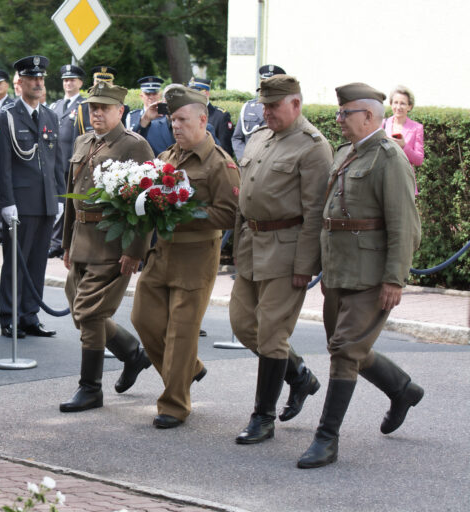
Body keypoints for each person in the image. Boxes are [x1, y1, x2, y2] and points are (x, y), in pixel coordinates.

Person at [297, 83, 423, 469]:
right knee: (348, 346)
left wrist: (394, 279)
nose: (339, 120)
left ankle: (326, 438)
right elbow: (329, 215)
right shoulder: (345, 154)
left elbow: (405, 226)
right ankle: (402, 389)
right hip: (339, 269)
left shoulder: (389, 158)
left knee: (345, 351)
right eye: (339, 113)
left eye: (345, 113)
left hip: (371, 274)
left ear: (368, 116)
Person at [228, 75, 332, 444]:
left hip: (287, 251)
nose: (266, 112)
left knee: (272, 334)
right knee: (243, 326)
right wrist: (236, 247)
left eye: (273, 106)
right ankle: (299, 375)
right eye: (264, 105)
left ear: (296, 104)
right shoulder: (259, 137)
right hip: (251, 245)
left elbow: (315, 212)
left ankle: (263, 417)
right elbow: (245, 198)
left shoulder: (313, 147)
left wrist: (306, 265)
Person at [130, 86, 240, 428]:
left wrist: (183, 211)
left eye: (182, 119)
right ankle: (189, 369)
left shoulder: (221, 163)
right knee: (143, 319)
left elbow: (231, 214)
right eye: (172, 119)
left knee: (181, 333)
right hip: (161, 253)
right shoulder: (165, 159)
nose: (175, 125)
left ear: (203, 120)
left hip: (196, 256)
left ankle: (174, 404)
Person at [59, 81, 155, 413]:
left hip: (114, 243)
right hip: (82, 239)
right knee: (82, 311)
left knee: (89, 312)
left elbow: (146, 204)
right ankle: (132, 354)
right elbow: (72, 196)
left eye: (104, 108)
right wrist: (65, 242)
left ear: (121, 111)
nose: (96, 113)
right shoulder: (84, 141)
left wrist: (136, 250)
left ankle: (90, 389)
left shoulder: (134, 146)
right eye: (92, 107)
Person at [0, 55, 64, 338]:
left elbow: (56, 161)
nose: (38, 83)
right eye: (32, 79)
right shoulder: (7, 116)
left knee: (37, 263)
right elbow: (2, 165)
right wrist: (6, 202)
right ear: (19, 83)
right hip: (20, 204)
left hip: (46, 202)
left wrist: (60, 197)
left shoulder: (49, 116)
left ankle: (29, 316)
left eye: (41, 78)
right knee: (16, 263)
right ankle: (9, 317)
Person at [48, 64, 86, 259]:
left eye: (72, 79)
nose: (68, 83)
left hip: (72, 164)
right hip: (56, 163)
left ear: (80, 82)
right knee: (58, 206)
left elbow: (83, 136)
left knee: (70, 206)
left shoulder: (83, 105)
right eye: (65, 80)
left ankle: (64, 243)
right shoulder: (56, 106)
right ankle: (55, 242)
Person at [231, 64, 285, 160]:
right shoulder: (248, 107)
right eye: (263, 81)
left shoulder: (286, 110)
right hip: (248, 165)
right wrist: (245, 158)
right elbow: (237, 138)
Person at [187, 76, 235, 157]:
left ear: (206, 94)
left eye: (195, 93)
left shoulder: (221, 116)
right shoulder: (187, 114)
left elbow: (225, 151)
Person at [383, 85, 424, 172]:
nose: (398, 107)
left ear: (409, 106)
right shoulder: (383, 124)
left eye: (402, 103)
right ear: (391, 104)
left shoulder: (417, 128)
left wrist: (404, 146)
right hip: (384, 177)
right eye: (396, 102)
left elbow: (419, 160)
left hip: (405, 179)